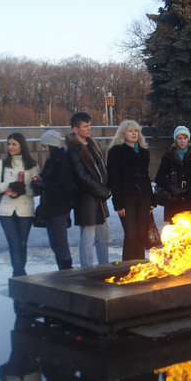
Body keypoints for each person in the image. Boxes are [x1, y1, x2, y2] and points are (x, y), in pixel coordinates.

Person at [0, 132, 40, 277]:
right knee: (14, 243)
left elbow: (38, 188)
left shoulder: (32, 165)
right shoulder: (2, 164)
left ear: (21, 146)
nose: (11, 147)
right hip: (6, 211)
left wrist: (25, 191)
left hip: (25, 210)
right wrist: (8, 185)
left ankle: (20, 274)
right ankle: (18, 274)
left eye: (14, 144)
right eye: (9, 144)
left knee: (22, 243)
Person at [66, 112, 111, 267]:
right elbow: (81, 177)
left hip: (98, 199)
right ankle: (87, 270)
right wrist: (103, 191)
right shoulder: (73, 150)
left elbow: (102, 168)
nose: (89, 129)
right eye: (85, 126)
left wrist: (107, 185)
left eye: (89, 125)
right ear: (76, 129)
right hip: (86, 200)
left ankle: (104, 267)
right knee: (88, 238)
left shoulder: (92, 144)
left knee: (103, 237)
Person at [107, 120, 153, 261]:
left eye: (136, 131)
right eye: (130, 131)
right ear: (123, 133)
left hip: (144, 198)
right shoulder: (116, 151)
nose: (134, 133)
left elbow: (146, 177)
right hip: (126, 198)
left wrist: (152, 201)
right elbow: (113, 178)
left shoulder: (144, 151)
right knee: (131, 233)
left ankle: (139, 265)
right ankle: (127, 267)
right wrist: (118, 203)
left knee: (141, 233)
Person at [35, 130, 74, 270]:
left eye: (45, 146)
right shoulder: (53, 159)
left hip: (58, 207)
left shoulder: (61, 160)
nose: (44, 149)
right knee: (55, 243)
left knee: (60, 244)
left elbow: (63, 184)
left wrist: (43, 185)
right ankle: (63, 269)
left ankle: (66, 271)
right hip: (51, 207)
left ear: (52, 145)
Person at [154, 125, 191, 222]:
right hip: (173, 200)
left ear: (188, 139)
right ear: (175, 140)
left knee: (190, 232)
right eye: (179, 138)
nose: (182, 141)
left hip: (190, 198)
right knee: (175, 233)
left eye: (185, 138)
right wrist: (171, 187)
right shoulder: (168, 156)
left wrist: (188, 187)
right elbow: (159, 177)